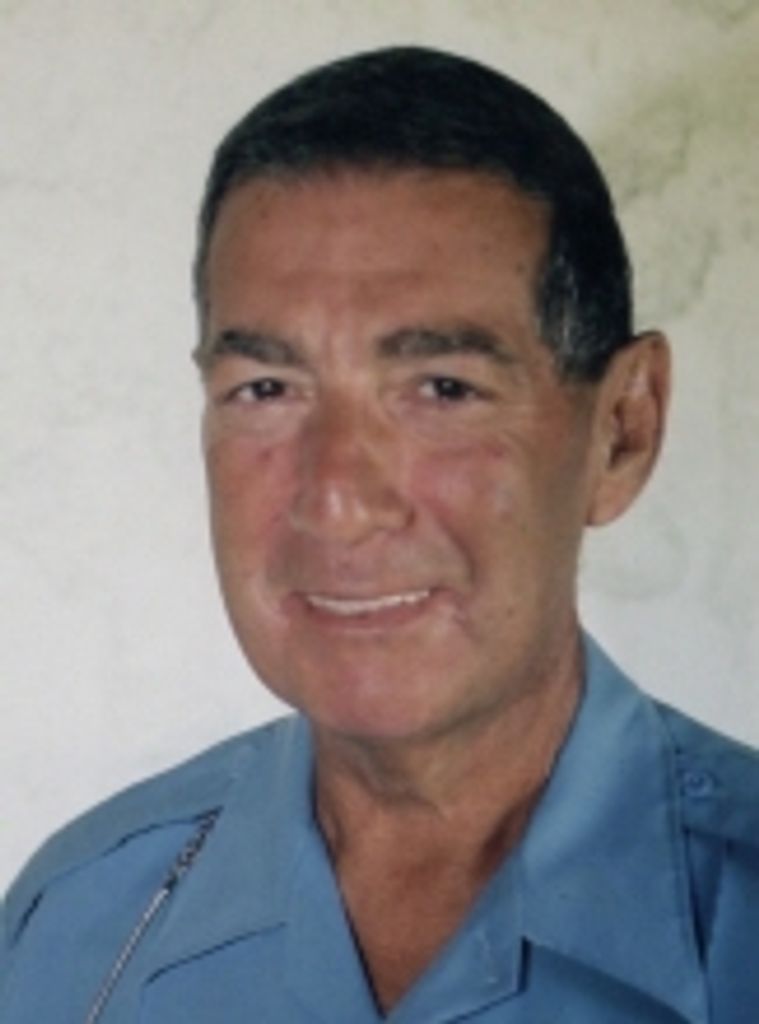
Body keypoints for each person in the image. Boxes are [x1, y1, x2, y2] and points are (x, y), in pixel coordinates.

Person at [2, 46, 758, 1024]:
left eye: (442, 388)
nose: (337, 501)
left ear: (622, 431)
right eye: (266, 389)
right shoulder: (82, 928)